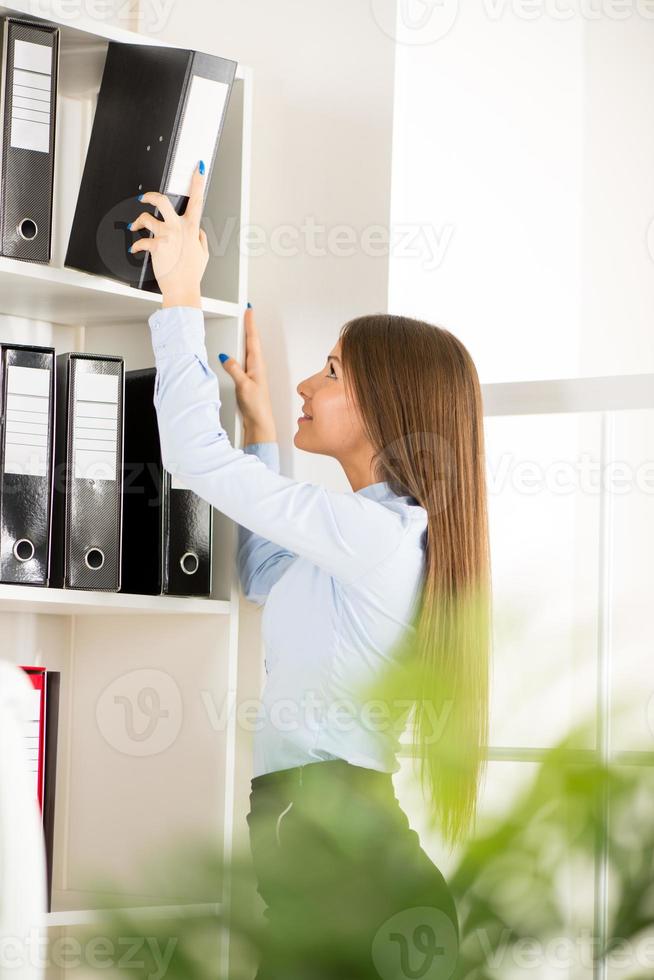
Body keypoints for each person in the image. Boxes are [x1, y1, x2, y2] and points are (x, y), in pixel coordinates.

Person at [131, 162, 492, 979]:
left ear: (385, 409)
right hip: (346, 852)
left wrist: (179, 298)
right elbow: (262, 576)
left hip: (346, 859)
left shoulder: (375, 534)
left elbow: (192, 458)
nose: (306, 381)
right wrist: (261, 429)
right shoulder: (372, 535)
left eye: (331, 372)